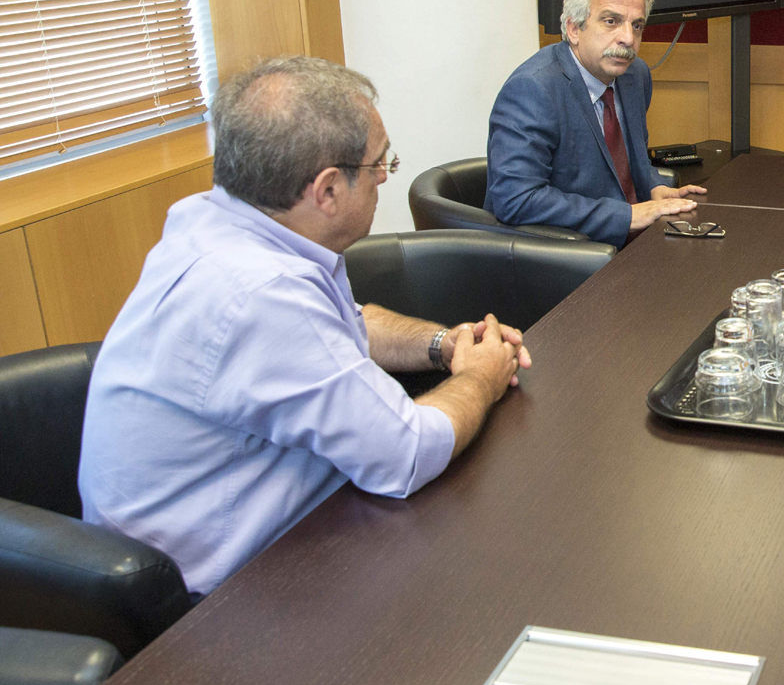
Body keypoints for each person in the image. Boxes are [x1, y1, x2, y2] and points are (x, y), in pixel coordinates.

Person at [80, 57, 530, 597]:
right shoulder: (262, 292)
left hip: (271, 534)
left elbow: (344, 326)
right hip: (216, 604)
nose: (385, 176)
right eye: (378, 163)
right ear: (327, 190)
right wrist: (481, 375)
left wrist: (444, 344)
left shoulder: (218, 221)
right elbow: (408, 453)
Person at [487, 0, 705, 246]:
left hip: (633, 244)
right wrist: (626, 216)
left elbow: (629, 159)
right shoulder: (533, 89)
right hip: (568, 253)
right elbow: (516, 199)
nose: (628, 38)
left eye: (637, 25)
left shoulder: (635, 75)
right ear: (574, 29)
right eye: (611, 21)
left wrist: (654, 188)